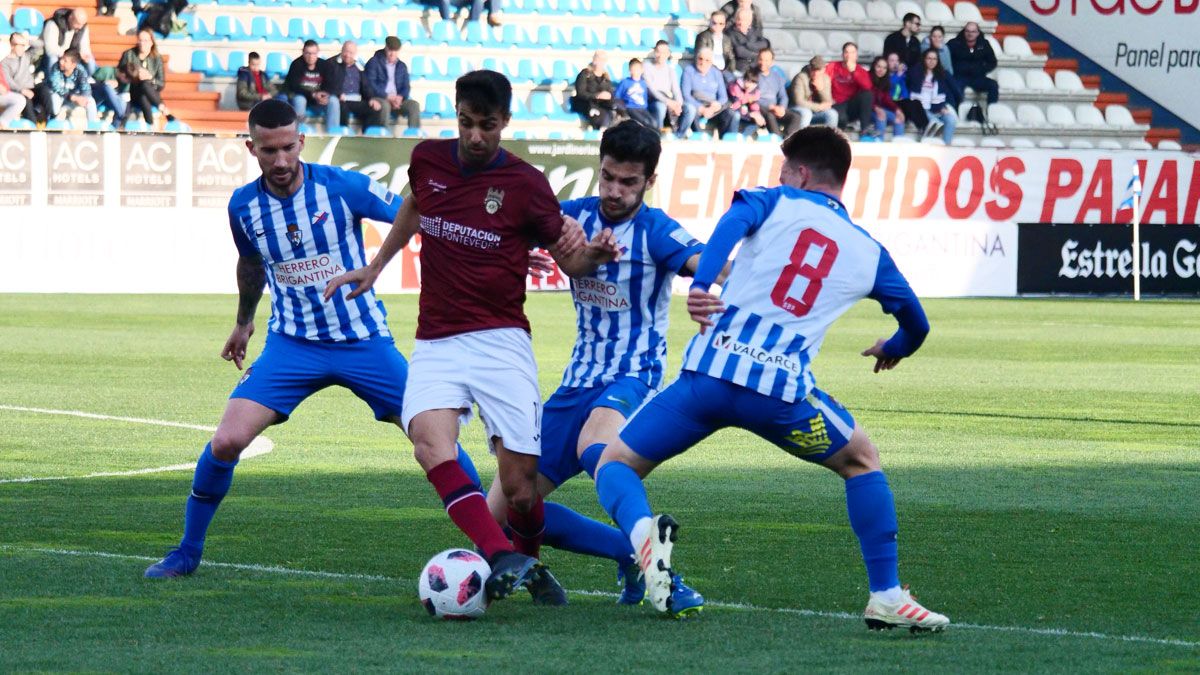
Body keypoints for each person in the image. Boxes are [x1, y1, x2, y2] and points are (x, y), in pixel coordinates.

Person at [591, 125, 951, 633]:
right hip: (780, 398)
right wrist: (892, 348)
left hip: (707, 382)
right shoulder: (870, 252)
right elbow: (917, 323)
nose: (779, 176)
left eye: (784, 169)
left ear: (801, 173)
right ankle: (886, 594)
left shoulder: (771, 199)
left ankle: (644, 533)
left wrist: (704, 283)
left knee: (615, 465)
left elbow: (729, 224)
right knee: (862, 461)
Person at [141, 99, 487, 585]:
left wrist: (484, 249)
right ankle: (186, 551)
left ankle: (489, 539)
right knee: (227, 440)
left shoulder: (342, 187)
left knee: (435, 439)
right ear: (251, 149)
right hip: (292, 346)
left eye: (288, 148)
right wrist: (244, 322)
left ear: (301, 141)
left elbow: (418, 216)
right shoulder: (243, 205)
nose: (280, 161)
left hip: (363, 341)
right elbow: (252, 264)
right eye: (268, 151)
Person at [323, 70, 621, 605]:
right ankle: (497, 550)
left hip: (501, 340)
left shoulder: (527, 185)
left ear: (505, 122)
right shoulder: (428, 159)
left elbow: (570, 259)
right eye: (466, 123)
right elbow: (415, 203)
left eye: (487, 125)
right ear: (455, 116)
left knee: (520, 488)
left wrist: (592, 256)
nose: (475, 136)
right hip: (437, 340)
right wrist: (376, 265)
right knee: (429, 444)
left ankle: (527, 561)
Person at [483, 120, 711, 616]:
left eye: (628, 182)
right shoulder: (572, 218)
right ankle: (629, 552)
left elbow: (703, 259)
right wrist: (516, 255)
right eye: (607, 177)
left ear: (648, 181)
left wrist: (709, 286)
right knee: (501, 511)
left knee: (595, 444)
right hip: (576, 381)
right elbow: (506, 235)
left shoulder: (656, 231)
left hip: (634, 375)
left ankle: (661, 570)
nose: (614, 190)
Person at [116, 28, 173, 127]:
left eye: (145, 41)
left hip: (149, 94)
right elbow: (120, 75)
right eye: (140, 40)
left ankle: (149, 124)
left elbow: (161, 84)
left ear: (151, 42)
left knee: (144, 89)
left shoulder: (157, 58)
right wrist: (135, 76)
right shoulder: (128, 54)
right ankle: (162, 109)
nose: (142, 43)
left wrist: (150, 78)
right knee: (143, 85)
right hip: (132, 91)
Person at [363, 37, 421, 131]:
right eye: (390, 50)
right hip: (380, 97)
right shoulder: (373, 63)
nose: (392, 53)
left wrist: (400, 97)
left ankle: (414, 134)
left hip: (397, 100)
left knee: (414, 105)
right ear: (386, 48)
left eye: (395, 51)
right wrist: (387, 96)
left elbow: (406, 86)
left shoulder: (401, 66)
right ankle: (383, 135)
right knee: (385, 106)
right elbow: (370, 85)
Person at [641, 40, 694, 137]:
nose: (661, 55)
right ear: (654, 52)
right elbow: (652, 91)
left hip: (670, 100)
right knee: (660, 107)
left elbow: (676, 90)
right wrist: (668, 102)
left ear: (668, 54)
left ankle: (678, 136)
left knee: (690, 109)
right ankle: (658, 136)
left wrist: (678, 105)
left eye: (664, 52)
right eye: (658, 51)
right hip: (654, 100)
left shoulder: (670, 69)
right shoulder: (647, 67)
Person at [947, 22, 998, 123]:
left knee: (993, 85)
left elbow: (992, 62)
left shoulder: (984, 44)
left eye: (973, 31)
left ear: (978, 32)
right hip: (959, 76)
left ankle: (991, 113)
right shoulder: (954, 43)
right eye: (968, 31)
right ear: (964, 31)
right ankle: (955, 115)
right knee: (955, 89)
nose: (970, 34)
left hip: (977, 77)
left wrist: (982, 69)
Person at [283, 40, 339, 128]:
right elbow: (294, 86)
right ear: (303, 52)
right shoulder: (296, 65)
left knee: (334, 101)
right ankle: (299, 130)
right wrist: (313, 94)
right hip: (303, 96)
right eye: (308, 53)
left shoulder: (325, 65)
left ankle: (333, 131)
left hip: (319, 98)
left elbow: (332, 84)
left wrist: (325, 94)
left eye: (313, 53)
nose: (311, 56)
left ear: (317, 53)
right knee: (299, 100)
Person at [907, 48, 958, 143]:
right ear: (924, 59)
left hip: (937, 108)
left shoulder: (942, 75)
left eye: (934, 59)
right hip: (921, 109)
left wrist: (943, 107)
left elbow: (947, 94)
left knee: (951, 120)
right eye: (929, 58)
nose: (932, 61)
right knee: (935, 122)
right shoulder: (915, 72)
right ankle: (926, 145)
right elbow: (913, 96)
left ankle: (946, 147)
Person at [681, 47, 735, 136]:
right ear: (696, 58)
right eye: (700, 59)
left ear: (711, 62)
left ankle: (726, 141)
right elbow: (686, 95)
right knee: (691, 111)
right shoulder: (689, 70)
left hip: (713, 107)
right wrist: (701, 108)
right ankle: (699, 139)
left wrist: (715, 106)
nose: (703, 63)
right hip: (696, 105)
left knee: (731, 114)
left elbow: (723, 97)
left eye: (707, 60)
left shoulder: (716, 73)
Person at [327, 40, 378, 128]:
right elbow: (328, 83)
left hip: (357, 99)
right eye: (345, 51)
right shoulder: (331, 64)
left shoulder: (359, 66)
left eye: (351, 52)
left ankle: (365, 137)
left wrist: (371, 98)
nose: (347, 55)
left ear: (355, 54)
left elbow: (366, 86)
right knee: (342, 108)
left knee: (373, 109)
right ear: (341, 50)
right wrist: (338, 93)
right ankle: (342, 135)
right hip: (342, 99)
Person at [826, 42, 873, 135]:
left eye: (852, 53)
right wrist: (827, 98)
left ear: (856, 55)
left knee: (867, 94)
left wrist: (854, 72)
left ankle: (865, 129)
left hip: (851, 104)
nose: (849, 55)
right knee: (841, 118)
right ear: (843, 54)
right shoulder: (833, 66)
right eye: (846, 52)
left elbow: (867, 87)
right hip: (836, 103)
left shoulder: (860, 70)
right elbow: (823, 82)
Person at [39, 49, 97, 124]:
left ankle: (92, 127)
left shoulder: (80, 71)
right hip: (59, 96)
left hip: (73, 98)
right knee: (55, 100)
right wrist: (72, 97)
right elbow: (56, 88)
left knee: (90, 101)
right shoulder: (55, 68)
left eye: (65, 61)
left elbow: (86, 88)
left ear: (73, 64)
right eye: (62, 59)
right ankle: (53, 123)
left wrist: (82, 98)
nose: (61, 62)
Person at [755, 47, 800, 138]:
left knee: (796, 117)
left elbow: (783, 96)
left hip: (776, 108)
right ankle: (778, 141)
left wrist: (782, 107)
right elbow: (752, 97)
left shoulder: (777, 77)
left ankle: (787, 140)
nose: (763, 63)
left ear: (772, 61)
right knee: (770, 116)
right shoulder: (752, 75)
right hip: (760, 106)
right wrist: (770, 107)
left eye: (766, 60)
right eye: (761, 59)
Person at [572, 50, 621, 130]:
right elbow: (580, 93)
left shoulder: (605, 77)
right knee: (598, 113)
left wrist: (608, 96)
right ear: (594, 59)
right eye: (598, 59)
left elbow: (610, 93)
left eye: (602, 60)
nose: (600, 62)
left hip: (602, 105)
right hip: (587, 103)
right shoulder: (585, 74)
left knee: (614, 109)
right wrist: (597, 96)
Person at [789, 55, 838, 129]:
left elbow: (828, 102)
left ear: (824, 69)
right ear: (809, 68)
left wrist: (820, 90)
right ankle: (802, 137)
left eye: (819, 70)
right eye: (813, 70)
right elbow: (798, 102)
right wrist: (819, 107)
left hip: (816, 112)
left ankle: (829, 138)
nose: (816, 73)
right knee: (806, 113)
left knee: (832, 114)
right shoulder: (800, 78)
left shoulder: (826, 79)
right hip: (797, 109)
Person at [1, 33, 38, 124]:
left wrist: (26, 41)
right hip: (17, 90)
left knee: (45, 91)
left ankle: (47, 121)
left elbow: (40, 45)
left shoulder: (26, 56)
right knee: (22, 100)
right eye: (20, 45)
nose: (22, 47)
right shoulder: (4, 62)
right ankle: (33, 128)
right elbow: (9, 82)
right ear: (12, 46)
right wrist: (21, 90)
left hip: (29, 86)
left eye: (23, 45)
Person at [613, 58, 656, 130]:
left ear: (642, 70)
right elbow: (617, 96)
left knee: (653, 122)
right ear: (630, 71)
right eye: (633, 69)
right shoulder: (625, 82)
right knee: (644, 122)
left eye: (637, 69)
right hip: (631, 108)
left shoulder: (644, 83)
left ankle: (657, 136)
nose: (635, 71)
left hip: (642, 108)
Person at [869, 56, 904, 140]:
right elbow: (865, 99)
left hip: (879, 109)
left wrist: (897, 110)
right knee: (881, 116)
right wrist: (876, 108)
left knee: (899, 119)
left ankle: (899, 147)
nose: (881, 70)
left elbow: (887, 99)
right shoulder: (867, 78)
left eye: (884, 68)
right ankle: (879, 143)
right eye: (879, 67)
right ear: (874, 66)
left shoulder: (885, 81)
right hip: (867, 110)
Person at [726, 7, 769, 75]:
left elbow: (765, 43)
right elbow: (740, 51)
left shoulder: (755, 31)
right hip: (739, 69)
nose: (741, 22)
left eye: (744, 20)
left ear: (750, 21)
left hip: (755, 68)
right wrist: (757, 54)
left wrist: (748, 44)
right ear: (735, 19)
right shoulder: (730, 33)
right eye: (739, 19)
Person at [727, 67, 765, 135]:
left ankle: (743, 137)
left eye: (754, 83)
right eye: (748, 81)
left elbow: (755, 106)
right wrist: (746, 99)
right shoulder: (735, 87)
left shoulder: (755, 92)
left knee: (758, 120)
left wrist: (757, 114)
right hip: (732, 111)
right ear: (744, 79)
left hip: (745, 114)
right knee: (736, 115)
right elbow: (733, 106)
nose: (751, 85)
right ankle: (733, 136)